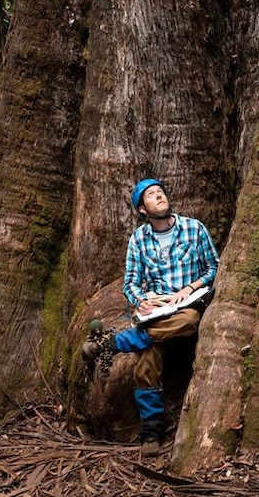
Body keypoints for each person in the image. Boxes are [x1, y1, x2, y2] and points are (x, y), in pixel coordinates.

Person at [82, 178, 220, 455]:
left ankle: (114, 343)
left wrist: (190, 288)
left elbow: (214, 266)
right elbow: (130, 283)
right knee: (147, 364)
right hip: (157, 311)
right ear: (142, 210)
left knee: (190, 321)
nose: (159, 197)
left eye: (160, 192)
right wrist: (141, 301)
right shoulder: (139, 240)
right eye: (151, 195)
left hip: (187, 306)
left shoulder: (194, 229)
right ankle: (151, 432)